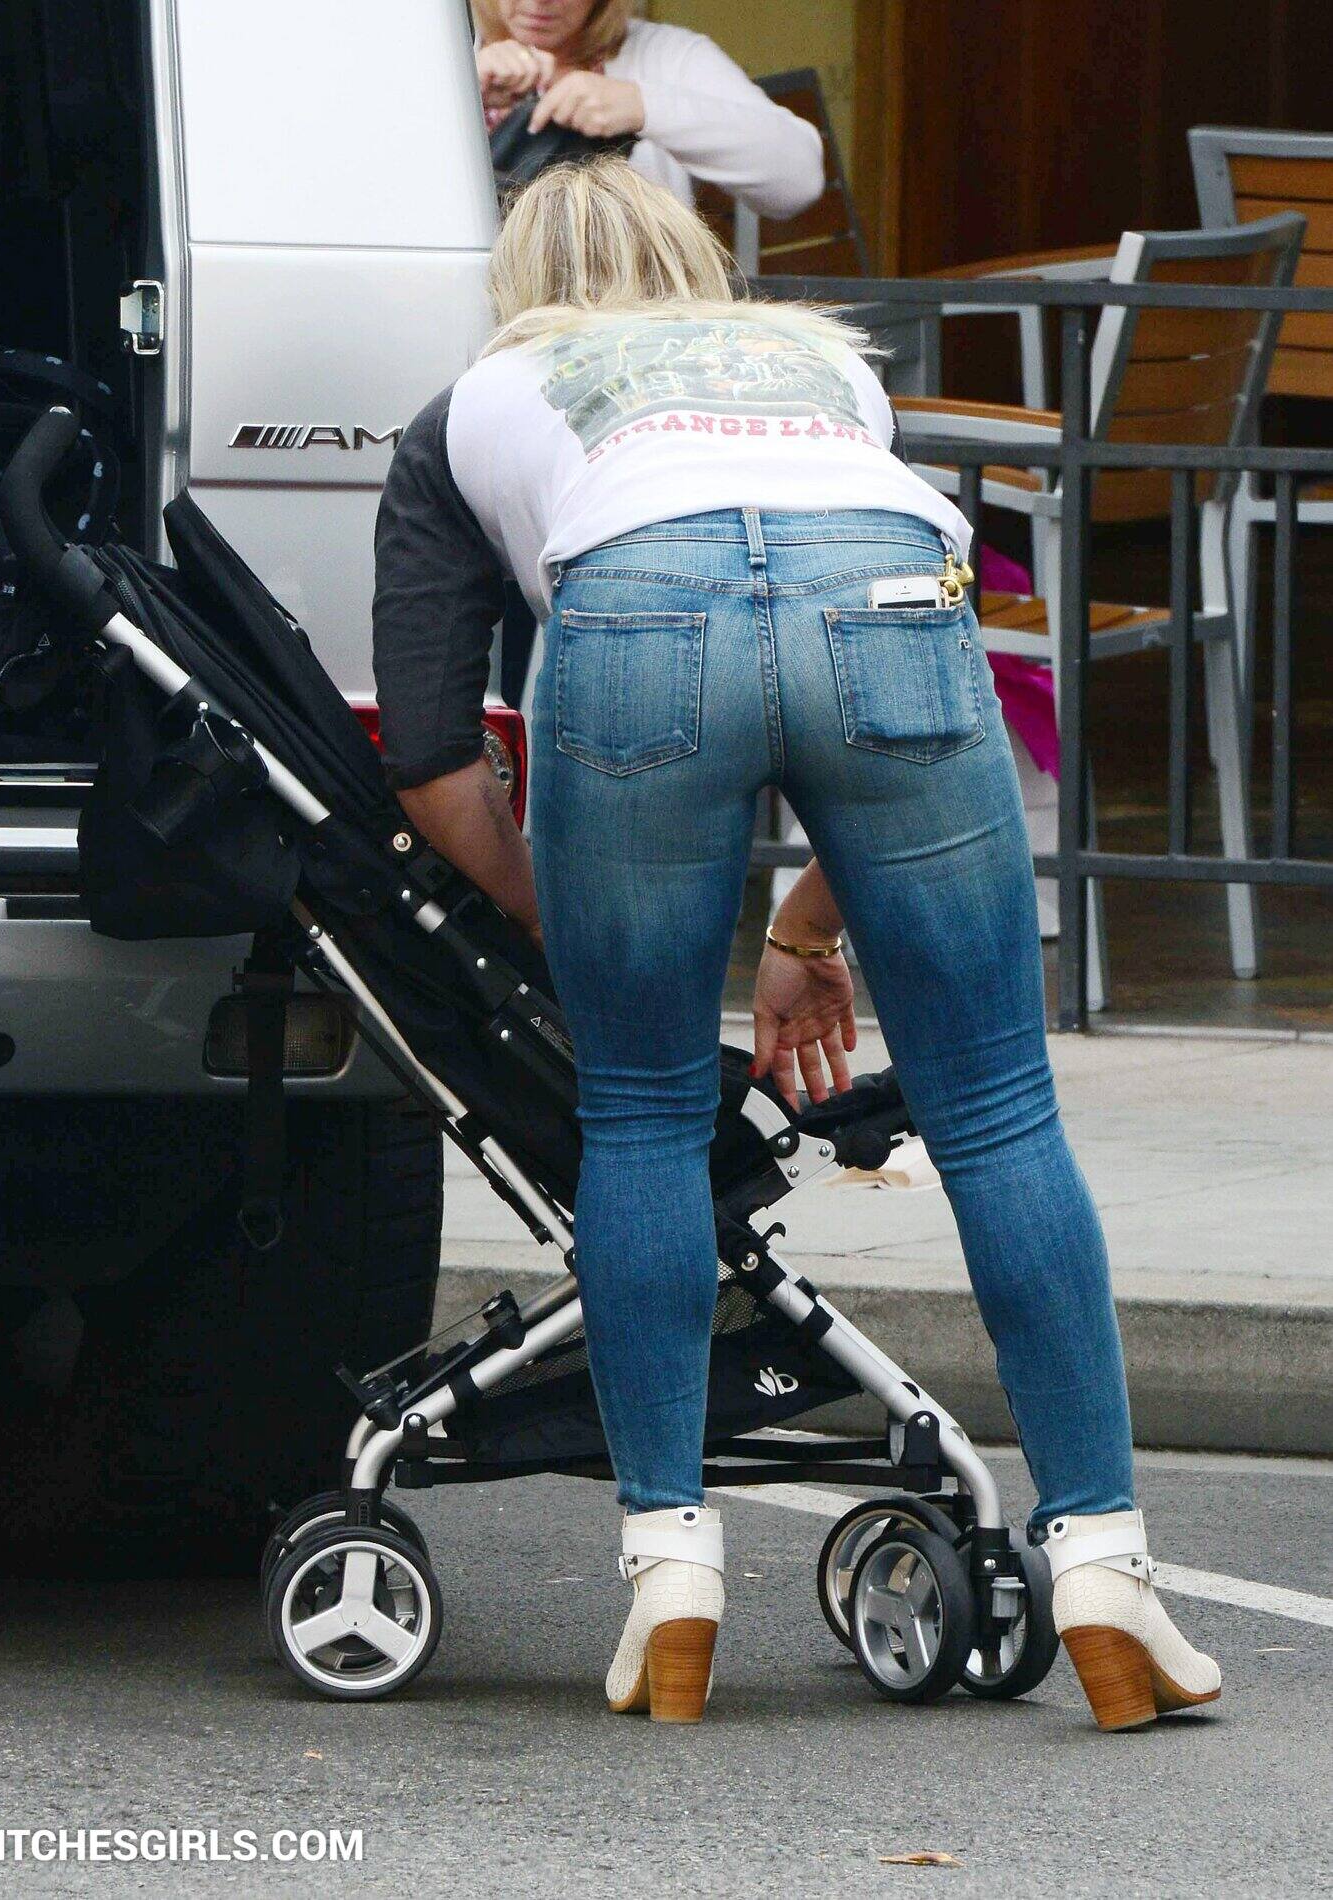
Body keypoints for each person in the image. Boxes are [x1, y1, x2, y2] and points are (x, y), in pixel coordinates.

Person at [371, 160, 1222, 1732]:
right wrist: (807, 926)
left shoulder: (472, 407)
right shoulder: (824, 366)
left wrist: (563, 904)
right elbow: (875, 656)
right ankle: (1105, 1568)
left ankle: (669, 1575)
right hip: (883, 589)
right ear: (698, 261)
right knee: (998, 1112)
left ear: (519, 283)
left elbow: (429, 758)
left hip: (632, 617)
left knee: (638, 1115)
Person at [473, 0, 824, 219]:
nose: (538, 1)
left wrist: (645, 107)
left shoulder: (664, 57)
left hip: (637, 308)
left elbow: (799, 179)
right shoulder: (453, 58)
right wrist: (467, 92)